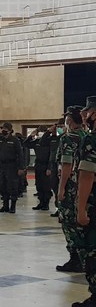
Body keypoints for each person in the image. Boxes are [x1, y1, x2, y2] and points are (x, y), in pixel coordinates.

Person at [56, 106, 88, 273]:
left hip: (71, 187)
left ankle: (75, 259)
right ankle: (85, 258)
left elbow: (66, 165)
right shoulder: (87, 136)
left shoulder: (68, 138)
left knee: (69, 222)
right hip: (84, 186)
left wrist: (61, 189)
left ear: (70, 120)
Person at [75, 96, 96, 307]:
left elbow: (87, 176)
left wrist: (81, 209)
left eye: (87, 112)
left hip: (93, 204)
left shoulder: (91, 140)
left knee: (91, 250)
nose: (85, 116)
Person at [0, 122, 26, 213]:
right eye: (3, 129)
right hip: (2, 165)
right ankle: (5, 205)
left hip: (12, 166)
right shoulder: (0, 139)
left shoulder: (15, 140)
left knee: (12, 186)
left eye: (5, 129)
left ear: (10, 130)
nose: (3, 130)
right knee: (2, 186)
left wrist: (21, 167)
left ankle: (13, 206)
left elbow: (20, 154)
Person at [23, 125, 53, 210]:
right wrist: (31, 136)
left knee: (46, 185)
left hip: (46, 165)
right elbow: (25, 144)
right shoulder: (37, 141)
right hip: (38, 165)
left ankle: (46, 203)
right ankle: (41, 202)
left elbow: (52, 155)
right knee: (39, 185)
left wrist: (49, 168)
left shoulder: (49, 141)